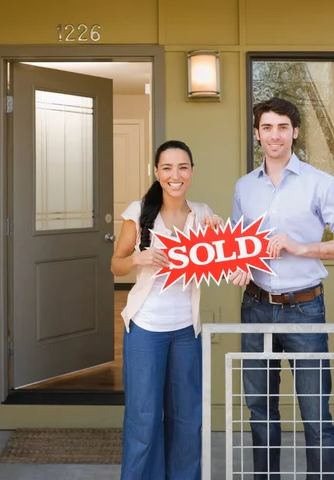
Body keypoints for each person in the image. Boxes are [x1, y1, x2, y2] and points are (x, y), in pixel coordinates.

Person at [229, 97, 334, 480]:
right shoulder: (244, 188)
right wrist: (239, 265)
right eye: (267, 128)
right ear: (257, 134)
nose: (275, 136)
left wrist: (303, 247)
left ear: (295, 132)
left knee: (315, 410)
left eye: (283, 127)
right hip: (254, 307)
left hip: (304, 308)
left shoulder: (320, 184)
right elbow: (240, 245)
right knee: (259, 408)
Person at [111, 140, 221, 480]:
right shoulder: (138, 212)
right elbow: (116, 265)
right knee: (143, 419)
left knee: (188, 418)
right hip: (145, 329)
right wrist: (137, 258)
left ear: (191, 172)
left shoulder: (203, 215)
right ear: (156, 172)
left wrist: (220, 239)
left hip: (187, 331)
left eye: (183, 167)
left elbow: (223, 263)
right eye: (168, 168)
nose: (176, 175)